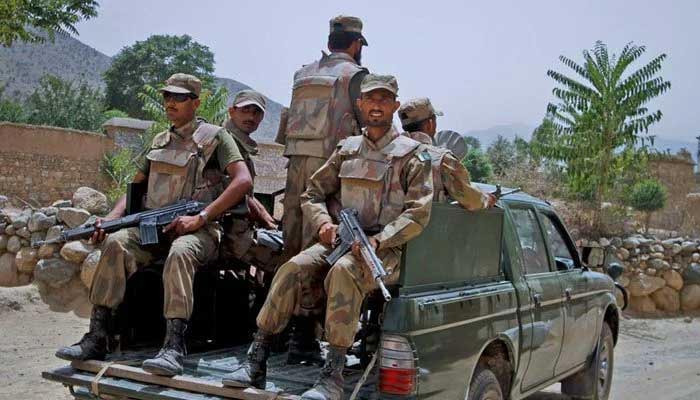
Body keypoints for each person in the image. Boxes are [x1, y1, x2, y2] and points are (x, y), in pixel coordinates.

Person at [222, 74, 434, 400]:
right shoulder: (346, 150)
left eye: (384, 99)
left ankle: (332, 376)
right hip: (340, 240)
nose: (376, 105)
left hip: (387, 251)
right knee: (293, 268)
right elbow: (312, 193)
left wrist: (380, 240)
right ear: (361, 105)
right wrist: (323, 223)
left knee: (345, 271)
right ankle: (257, 357)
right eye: (370, 99)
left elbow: (418, 212)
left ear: (393, 105)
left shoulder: (412, 155)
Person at [55, 73, 253, 377]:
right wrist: (109, 221)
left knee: (181, 252)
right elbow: (134, 188)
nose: (170, 103)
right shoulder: (160, 140)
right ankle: (97, 335)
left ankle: (173, 346)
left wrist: (201, 217)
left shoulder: (215, 137)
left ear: (196, 102)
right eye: (167, 97)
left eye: (179, 97)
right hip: (154, 225)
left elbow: (243, 181)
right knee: (116, 242)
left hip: (198, 230)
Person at [278, 14, 369, 262]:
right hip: (329, 170)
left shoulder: (302, 74)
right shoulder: (356, 75)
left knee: (291, 236)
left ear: (330, 44)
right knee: (318, 241)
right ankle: (308, 300)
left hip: (295, 165)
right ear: (356, 44)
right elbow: (370, 125)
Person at [220, 90, 281, 271]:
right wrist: (269, 223)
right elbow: (240, 196)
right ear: (231, 112)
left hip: (237, 229)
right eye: (245, 110)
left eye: (256, 112)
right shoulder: (223, 143)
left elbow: (248, 196)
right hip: (227, 232)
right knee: (288, 262)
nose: (251, 117)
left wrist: (271, 223)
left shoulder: (240, 145)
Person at [399, 97, 496, 209]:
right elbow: (472, 201)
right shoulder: (442, 159)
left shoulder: (385, 154)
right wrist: (486, 199)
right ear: (430, 123)